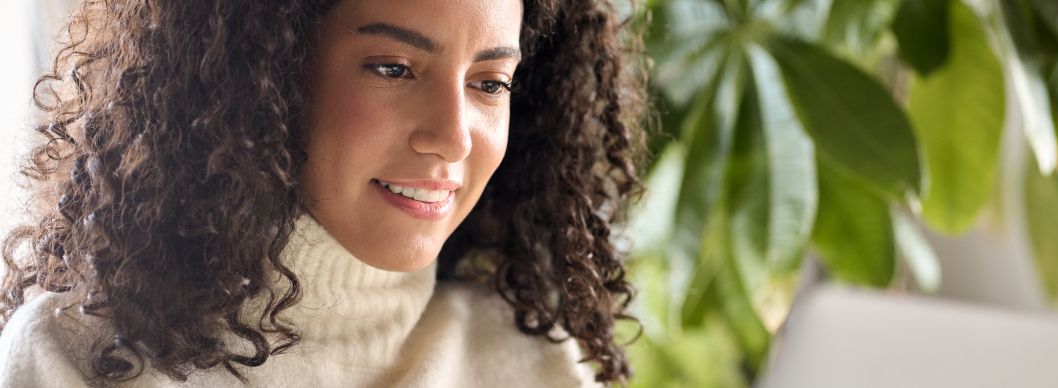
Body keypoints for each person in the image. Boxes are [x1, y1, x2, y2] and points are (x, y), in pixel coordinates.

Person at [0, 0, 646, 386]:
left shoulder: (534, 364)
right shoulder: (81, 363)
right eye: (393, 68)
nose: (453, 136)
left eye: (490, 83)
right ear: (267, 76)